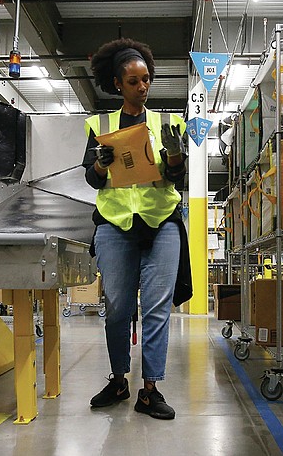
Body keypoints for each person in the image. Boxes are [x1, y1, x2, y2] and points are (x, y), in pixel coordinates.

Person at [82, 38, 188, 420]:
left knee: (157, 309)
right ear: (116, 85)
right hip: (115, 225)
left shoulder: (169, 123)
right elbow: (93, 181)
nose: (142, 87)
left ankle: (150, 389)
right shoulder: (100, 126)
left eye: (146, 80)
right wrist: (99, 165)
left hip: (162, 224)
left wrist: (175, 157)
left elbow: (180, 178)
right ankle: (119, 380)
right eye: (133, 82)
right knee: (117, 308)